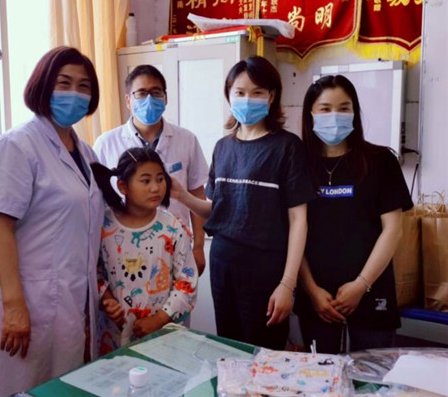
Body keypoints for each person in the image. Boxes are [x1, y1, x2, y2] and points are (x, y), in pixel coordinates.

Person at [0, 46, 104, 397]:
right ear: (43, 86)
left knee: (62, 385)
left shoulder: (86, 153)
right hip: (29, 299)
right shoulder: (17, 146)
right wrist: (14, 305)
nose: (74, 93)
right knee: (22, 387)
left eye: (83, 86)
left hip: (72, 298)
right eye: (64, 83)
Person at [172, 56, 316, 350]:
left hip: (265, 267)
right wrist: (182, 196)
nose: (247, 99)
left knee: (264, 354)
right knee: (228, 349)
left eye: (257, 92)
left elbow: (298, 221)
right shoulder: (223, 147)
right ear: (229, 95)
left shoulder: (287, 147)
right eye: (240, 92)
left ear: (271, 96)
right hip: (223, 263)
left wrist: (288, 283)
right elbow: (218, 210)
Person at [295, 75, 413, 354]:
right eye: (325, 109)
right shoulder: (298, 164)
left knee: (372, 375)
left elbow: (393, 230)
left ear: (355, 113)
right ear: (310, 113)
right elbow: (293, 230)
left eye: (344, 108)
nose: (334, 116)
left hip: (372, 291)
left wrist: (361, 285)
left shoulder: (381, 161)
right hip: (317, 298)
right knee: (319, 375)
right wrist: (311, 290)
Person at [93, 65, 208, 275]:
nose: (149, 99)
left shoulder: (187, 140)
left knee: (179, 294)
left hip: (176, 245)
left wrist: (199, 246)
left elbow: (197, 193)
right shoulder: (106, 143)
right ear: (128, 100)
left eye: (156, 93)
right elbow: (96, 200)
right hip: (123, 250)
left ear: (166, 98)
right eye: (141, 93)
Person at [91, 147, 198, 354]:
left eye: (160, 179)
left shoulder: (173, 227)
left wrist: (159, 319)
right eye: (146, 181)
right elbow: (92, 270)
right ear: (123, 186)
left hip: (163, 337)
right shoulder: (103, 225)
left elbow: (187, 284)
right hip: (113, 336)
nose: (156, 188)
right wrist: (107, 299)